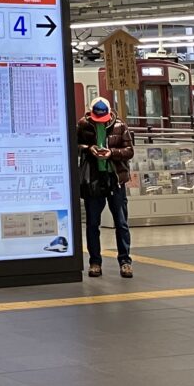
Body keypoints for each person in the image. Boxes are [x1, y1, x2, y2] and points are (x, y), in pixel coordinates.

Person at [77, 96, 134, 279]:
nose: (100, 120)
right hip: (93, 179)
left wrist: (112, 153)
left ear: (109, 113)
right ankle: (95, 262)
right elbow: (74, 145)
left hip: (115, 179)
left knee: (121, 222)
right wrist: (89, 149)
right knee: (92, 223)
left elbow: (129, 151)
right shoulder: (83, 125)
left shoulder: (120, 126)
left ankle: (125, 261)